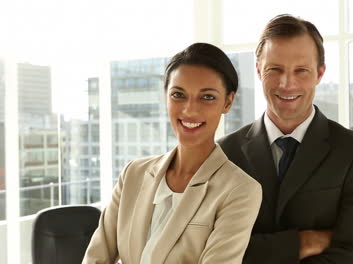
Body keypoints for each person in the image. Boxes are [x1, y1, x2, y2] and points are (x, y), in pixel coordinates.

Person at [219, 14, 353, 264]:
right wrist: (302, 242)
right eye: (275, 69)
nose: (287, 83)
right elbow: (214, 253)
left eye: (301, 70)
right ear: (258, 71)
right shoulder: (224, 154)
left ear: (320, 73)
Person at [83, 43, 262, 264]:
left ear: (228, 101)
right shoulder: (133, 174)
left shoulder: (240, 190)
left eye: (207, 97)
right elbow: (95, 258)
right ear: (165, 96)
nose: (190, 110)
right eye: (178, 94)